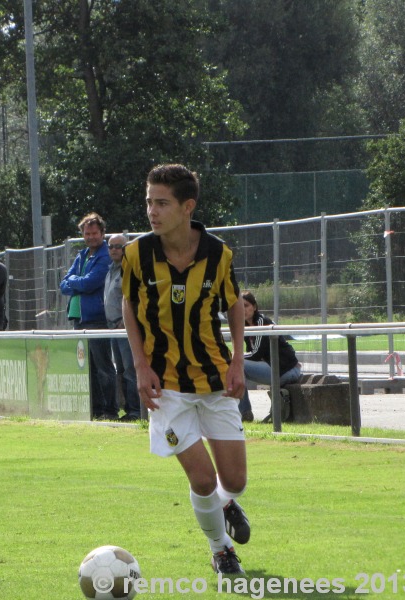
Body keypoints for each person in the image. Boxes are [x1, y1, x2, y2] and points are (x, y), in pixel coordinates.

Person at [121, 164, 250, 575]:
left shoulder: (218, 254)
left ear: (187, 206)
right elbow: (128, 305)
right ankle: (220, 549)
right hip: (165, 387)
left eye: (161, 203)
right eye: (148, 202)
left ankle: (226, 503)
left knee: (235, 479)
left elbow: (232, 303)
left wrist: (236, 362)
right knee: (201, 478)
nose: (152, 211)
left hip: (213, 377)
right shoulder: (136, 254)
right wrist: (141, 365)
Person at [60, 213, 118, 420]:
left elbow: (90, 283)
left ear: (102, 233)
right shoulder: (82, 255)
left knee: (103, 366)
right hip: (79, 319)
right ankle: (95, 410)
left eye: (94, 233)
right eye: (87, 233)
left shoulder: (105, 255)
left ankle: (110, 410)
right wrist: (77, 281)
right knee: (88, 368)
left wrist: (76, 281)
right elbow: (63, 284)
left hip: (97, 319)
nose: (91, 237)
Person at [239, 291, 302, 422]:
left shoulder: (262, 321)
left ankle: (244, 412)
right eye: (239, 306)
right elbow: (253, 354)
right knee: (236, 366)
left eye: (246, 305)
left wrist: (235, 357)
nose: (242, 310)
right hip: (274, 369)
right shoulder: (245, 326)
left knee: (237, 363)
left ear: (254, 307)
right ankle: (243, 412)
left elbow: (256, 354)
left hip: (287, 371)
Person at [103, 233, 141, 422]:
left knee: (130, 370)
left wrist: (127, 321)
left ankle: (136, 410)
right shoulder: (111, 269)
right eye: (110, 246)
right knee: (120, 370)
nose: (114, 250)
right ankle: (127, 409)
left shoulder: (129, 269)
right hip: (112, 328)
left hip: (125, 328)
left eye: (118, 246)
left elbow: (136, 299)